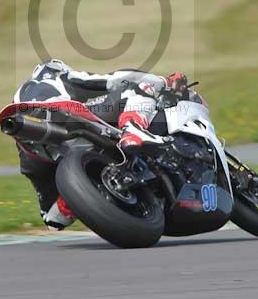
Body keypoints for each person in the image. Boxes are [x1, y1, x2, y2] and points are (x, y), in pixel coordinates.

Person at [13, 59, 190, 230]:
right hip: (62, 113)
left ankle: (81, 190)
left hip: (33, 144)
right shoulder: (56, 76)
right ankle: (133, 129)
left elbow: (52, 221)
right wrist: (165, 82)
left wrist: (74, 196)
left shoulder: (28, 157)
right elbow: (115, 79)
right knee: (138, 89)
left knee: (51, 215)